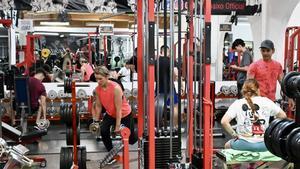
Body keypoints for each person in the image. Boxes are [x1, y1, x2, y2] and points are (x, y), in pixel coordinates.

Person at [221, 79, 286, 152]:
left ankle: (235, 163)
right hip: (264, 145)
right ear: (258, 90)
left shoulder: (238, 103)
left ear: (243, 90)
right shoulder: (266, 101)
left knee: (227, 145)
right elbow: (283, 115)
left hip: (243, 144)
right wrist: (270, 128)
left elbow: (224, 122)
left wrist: (234, 135)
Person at [93, 66, 136, 155]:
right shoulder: (97, 89)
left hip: (124, 114)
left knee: (130, 139)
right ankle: (111, 152)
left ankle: (140, 134)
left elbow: (118, 109)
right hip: (111, 114)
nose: (98, 81)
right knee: (103, 130)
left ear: (107, 77)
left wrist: (117, 126)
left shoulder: (116, 88)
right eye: (96, 79)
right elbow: (98, 106)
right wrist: (96, 122)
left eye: (100, 79)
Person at [247, 39, 295, 109]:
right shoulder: (254, 66)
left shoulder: (278, 66)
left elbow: (283, 83)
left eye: (268, 50)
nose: (265, 53)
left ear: (273, 51)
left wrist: (289, 98)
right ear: (261, 51)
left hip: (271, 101)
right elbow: (248, 86)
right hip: (257, 102)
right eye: (263, 51)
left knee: (271, 120)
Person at [155, 45, 179, 130]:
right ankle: (174, 126)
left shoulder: (156, 61)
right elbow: (176, 73)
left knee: (158, 107)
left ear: (161, 51)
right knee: (174, 106)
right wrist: (174, 78)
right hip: (169, 87)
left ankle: (159, 127)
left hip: (159, 87)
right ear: (168, 51)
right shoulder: (171, 61)